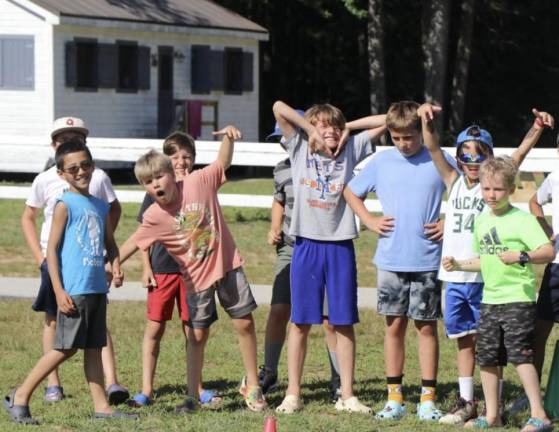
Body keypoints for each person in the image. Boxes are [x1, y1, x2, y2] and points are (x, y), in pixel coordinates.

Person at [417, 104, 554, 425]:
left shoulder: (494, 182)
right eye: (466, 154)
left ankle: (499, 405)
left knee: (495, 343)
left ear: (490, 159)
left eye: (480, 155)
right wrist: (426, 121)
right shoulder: (453, 180)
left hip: (487, 278)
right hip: (456, 275)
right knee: (464, 340)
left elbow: (517, 156)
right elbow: (433, 146)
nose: (473, 162)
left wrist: (536, 129)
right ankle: (467, 401)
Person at [118, 126, 268, 412]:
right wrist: (111, 264)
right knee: (196, 335)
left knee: (244, 322)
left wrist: (228, 139)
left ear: (172, 174)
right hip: (196, 280)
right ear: (145, 188)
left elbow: (222, 163)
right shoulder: (153, 214)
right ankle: (191, 396)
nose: (156, 184)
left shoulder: (199, 182)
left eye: (160, 176)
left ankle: (253, 385)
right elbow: (133, 242)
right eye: (148, 182)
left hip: (227, 265)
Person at [2, 140, 137, 425]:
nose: (80, 171)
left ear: (93, 166)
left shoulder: (99, 205)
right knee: (65, 348)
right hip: (74, 288)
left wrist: (116, 264)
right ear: (61, 173)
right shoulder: (64, 204)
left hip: (97, 286)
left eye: (85, 165)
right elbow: (51, 250)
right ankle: (21, 395)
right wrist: (59, 289)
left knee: (93, 347)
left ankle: (102, 407)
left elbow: (109, 243)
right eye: (72, 168)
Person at [272, 100, 387, 414]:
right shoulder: (299, 147)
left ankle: (347, 395)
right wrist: (309, 129)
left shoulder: (351, 149)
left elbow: (389, 119)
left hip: (340, 245)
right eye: (325, 126)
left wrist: (349, 127)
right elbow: (278, 106)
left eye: (335, 126)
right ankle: (293, 393)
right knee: (300, 323)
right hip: (306, 245)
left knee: (342, 322)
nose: (330, 132)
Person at [344, 101, 449, 421]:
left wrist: (449, 222)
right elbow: (350, 192)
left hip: (428, 259)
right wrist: (369, 220)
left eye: (410, 137)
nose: (404, 143)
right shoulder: (382, 161)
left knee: (426, 328)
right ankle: (394, 397)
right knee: (394, 327)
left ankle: (428, 399)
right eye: (397, 137)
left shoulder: (436, 158)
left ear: (421, 132)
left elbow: (465, 193)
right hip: (390, 260)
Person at [442, 156, 554, 431]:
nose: (491, 195)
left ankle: (539, 415)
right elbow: (486, 259)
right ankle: (492, 416)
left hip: (518, 299)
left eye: (498, 190)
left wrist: (522, 255)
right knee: (488, 357)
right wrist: (459, 264)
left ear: (511, 190)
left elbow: (549, 251)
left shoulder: (523, 220)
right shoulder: (481, 222)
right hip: (490, 299)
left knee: (520, 356)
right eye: (486, 188)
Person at [132, 132, 220, 408]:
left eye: (186, 156)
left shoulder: (197, 188)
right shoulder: (157, 191)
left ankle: (197, 387)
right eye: (175, 156)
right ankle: (146, 389)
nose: (181, 161)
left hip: (193, 273)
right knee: (154, 329)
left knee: (193, 331)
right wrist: (146, 268)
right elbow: (142, 235)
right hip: (162, 270)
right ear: (167, 162)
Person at [260, 116, 342, 401]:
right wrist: (274, 228)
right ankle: (269, 370)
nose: (284, 144)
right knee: (280, 308)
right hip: (291, 248)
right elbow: (279, 200)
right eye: (279, 140)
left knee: (329, 318)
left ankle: (339, 379)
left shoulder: (323, 165)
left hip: (321, 246)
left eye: (287, 137)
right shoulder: (282, 169)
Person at [529, 138, 559, 384]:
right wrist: (545, 228)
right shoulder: (555, 176)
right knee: (540, 331)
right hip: (557, 266)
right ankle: (532, 393)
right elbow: (534, 201)